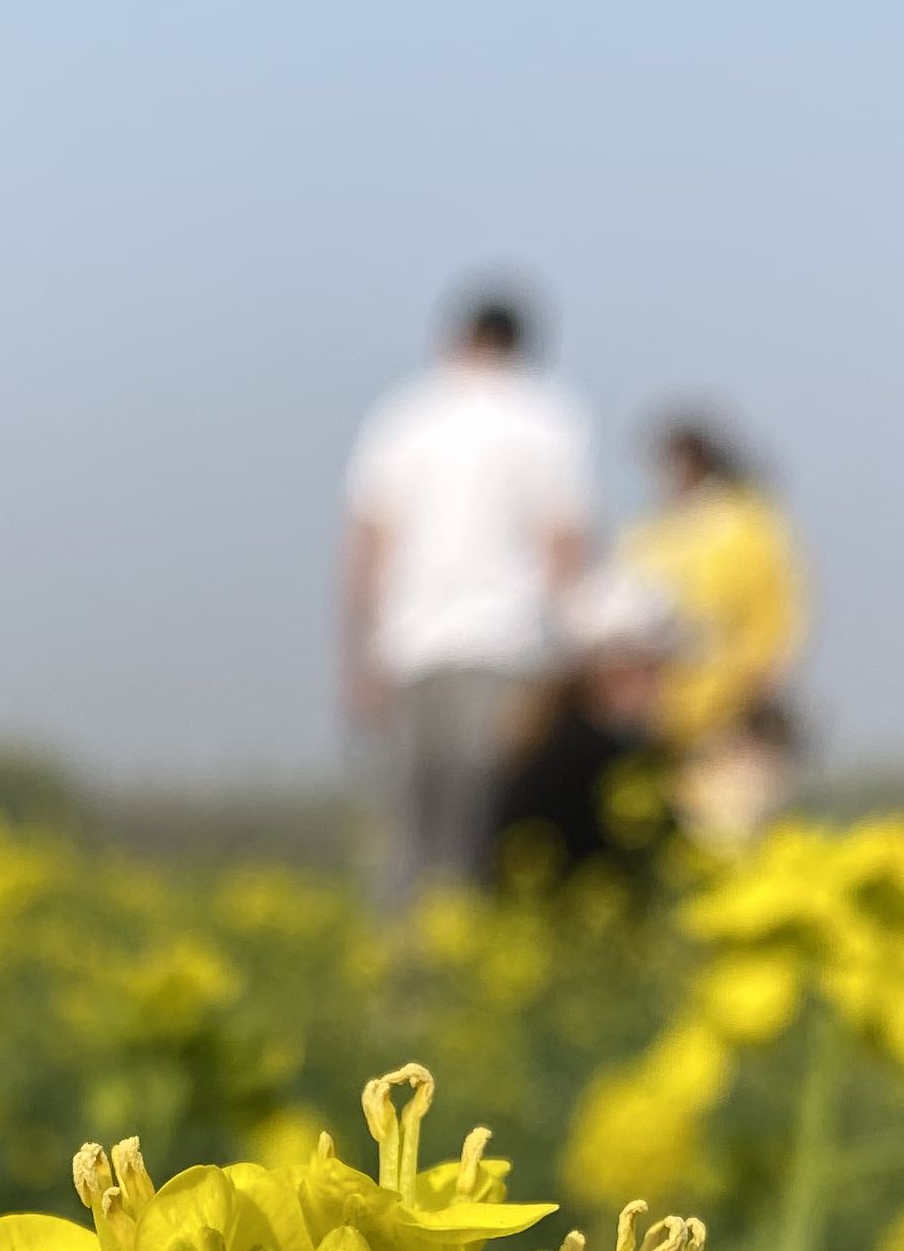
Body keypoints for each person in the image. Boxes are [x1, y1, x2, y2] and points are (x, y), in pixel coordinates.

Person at [342, 287, 594, 906]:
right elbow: (564, 545)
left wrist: (360, 659)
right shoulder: (548, 415)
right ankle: (473, 973)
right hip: (509, 649)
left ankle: (404, 985)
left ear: (456, 337)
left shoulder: (405, 413)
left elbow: (367, 543)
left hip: (411, 647)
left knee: (412, 825)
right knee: (485, 824)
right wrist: (575, 657)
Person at [621, 415, 808, 840]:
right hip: (660, 722)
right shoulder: (651, 532)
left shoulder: (749, 524)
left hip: (731, 713)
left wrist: (757, 687)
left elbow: (777, 615)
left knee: (727, 834)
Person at [486, 562, 678, 891]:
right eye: (655, 667)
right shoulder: (601, 758)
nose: (663, 683)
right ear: (619, 670)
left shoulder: (547, 740)